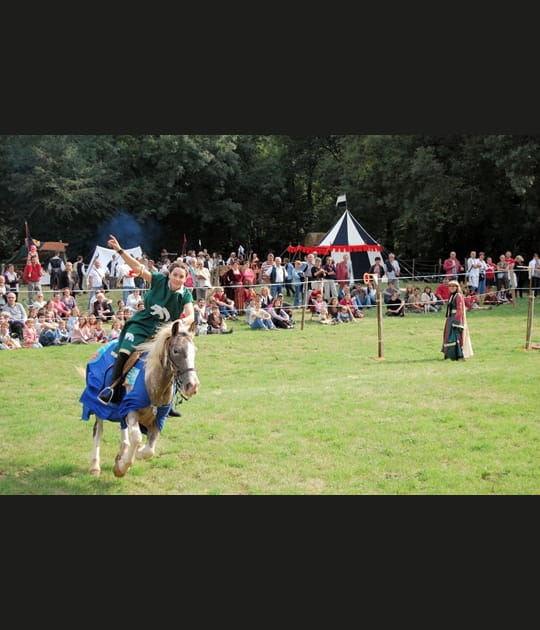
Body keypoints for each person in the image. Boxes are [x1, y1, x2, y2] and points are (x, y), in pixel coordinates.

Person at [98, 234, 195, 405]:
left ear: (185, 279)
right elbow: (137, 267)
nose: (177, 279)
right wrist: (120, 250)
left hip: (164, 331)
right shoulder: (158, 279)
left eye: (181, 277)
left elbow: (191, 315)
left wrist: (182, 322)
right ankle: (112, 389)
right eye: (175, 275)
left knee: (173, 360)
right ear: (169, 274)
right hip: (143, 324)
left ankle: (168, 399)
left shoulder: (185, 294)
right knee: (125, 353)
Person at [442, 280, 473, 361]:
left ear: (457, 287)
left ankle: (458, 355)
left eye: (453, 286)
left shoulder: (458, 296)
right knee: (448, 336)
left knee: (455, 336)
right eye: (450, 286)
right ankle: (449, 355)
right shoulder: (451, 296)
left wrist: (457, 321)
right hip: (450, 317)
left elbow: (460, 309)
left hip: (455, 318)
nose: (451, 288)